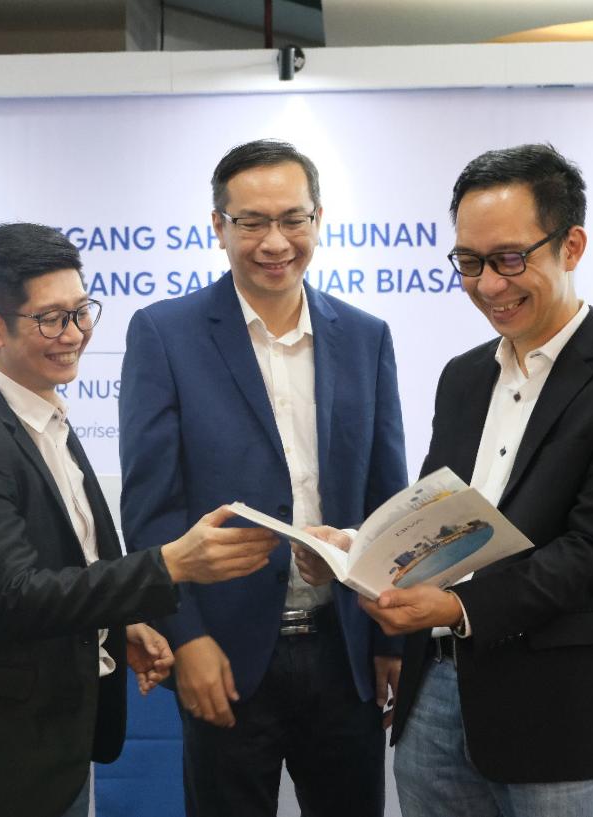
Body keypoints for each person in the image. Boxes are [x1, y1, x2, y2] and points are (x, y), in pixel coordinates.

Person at [0, 223, 279, 817]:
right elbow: (16, 597)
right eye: (51, 319)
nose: (74, 334)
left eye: (81, 312)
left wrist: (117, 625)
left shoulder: (47, 420)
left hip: (56, 746)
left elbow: (68, 567)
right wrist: (170, 564)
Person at [358, 144, 593, 817]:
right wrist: (362, 549)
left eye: (509, 259)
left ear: (571, 246)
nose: (488, 285)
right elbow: (439, 518)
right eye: (469, 262)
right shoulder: (462, 376)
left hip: (559, 710)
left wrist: (457, 608)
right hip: (435, 696)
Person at [119, 139, 408, 817]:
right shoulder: (165, 334)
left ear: (318, 219)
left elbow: (386, 497)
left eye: (292, 219)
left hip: (344, 649)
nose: (275, 241)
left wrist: (390, 636)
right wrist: (187, 637)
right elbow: (151, 508)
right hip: (224, 652)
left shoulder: (365, 336)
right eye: (251, 221)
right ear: (217, 226)